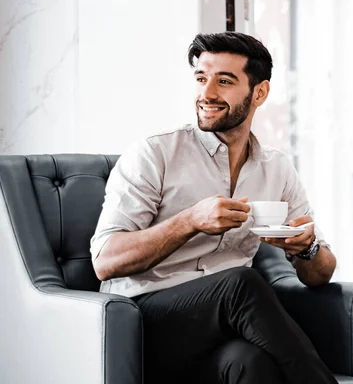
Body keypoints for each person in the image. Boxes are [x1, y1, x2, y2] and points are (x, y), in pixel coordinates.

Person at [90, 32, 338, 384]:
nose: (206, 94)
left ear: (260, 93)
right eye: (201, 78)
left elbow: (319, 274)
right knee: (241, 283)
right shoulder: (155, 154)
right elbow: (105, 262)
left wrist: (306, 248)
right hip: (141, 322)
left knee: (251, 364)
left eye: (224, 81)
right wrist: (190, 220)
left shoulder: (277, 168)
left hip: (221, 328)